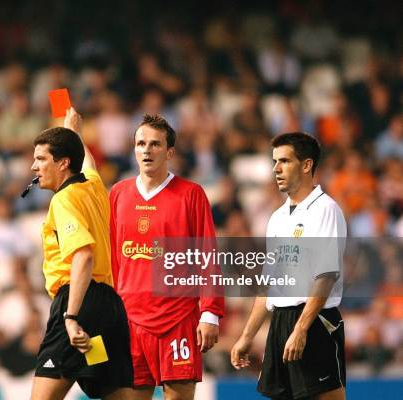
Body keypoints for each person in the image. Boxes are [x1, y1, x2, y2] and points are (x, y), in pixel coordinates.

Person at [109, 114, 225, 399]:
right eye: (140, 143)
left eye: (155, 144)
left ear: (170, 152)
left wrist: (210, 313)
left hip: (178, 319)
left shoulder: (191, 194)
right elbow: (111, 257)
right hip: (130, 320)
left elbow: (207, 255)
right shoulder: (118, 194)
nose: (147, 150)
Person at [231, 132, 347, 400]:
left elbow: (326, 276)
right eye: (274, 162)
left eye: (284, 161)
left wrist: (301, 329)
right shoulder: (277, 217)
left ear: (306, 165)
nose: (276, 169)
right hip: (281, 322)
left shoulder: (326, 210)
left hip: (315, 322)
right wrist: (247, 336)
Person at [30, 108, 133, 400]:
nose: (34, 167)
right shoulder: (94, 187)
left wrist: (71, 316)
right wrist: (73, 131)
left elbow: (83, 255)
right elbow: (87, 163)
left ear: (63, 164)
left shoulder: (63, 200)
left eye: (41, 159)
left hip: (78, 304)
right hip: (109, 309)